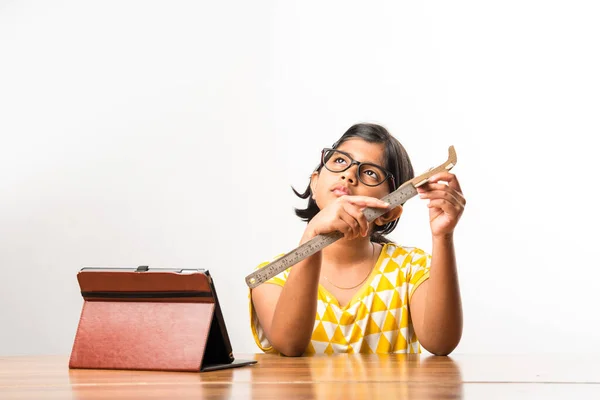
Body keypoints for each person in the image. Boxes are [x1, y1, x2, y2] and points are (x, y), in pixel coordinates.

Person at [249, 123, 465, 356]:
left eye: (370, 172)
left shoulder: (411, 268)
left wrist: (443, 236)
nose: (349, 174)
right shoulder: (271, 277)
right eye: (340, 160)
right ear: (314, 182)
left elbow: (441, 343)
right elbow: (289, 345)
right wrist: (312, 234)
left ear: (390, 212)